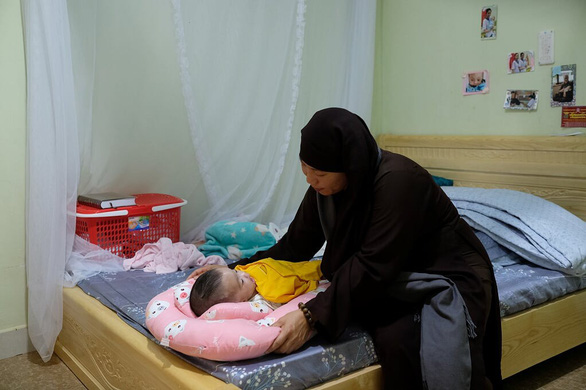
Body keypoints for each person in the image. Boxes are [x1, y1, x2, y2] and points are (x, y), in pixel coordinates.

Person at [191, 108, 503, 390]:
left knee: (433, 345)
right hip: (394, 271)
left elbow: (372, 265)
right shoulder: (326, 188)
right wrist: (238, 268)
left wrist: (311, 315)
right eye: (305, 169)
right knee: (393, 338)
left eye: (321, 173)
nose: (312, 180)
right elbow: (295, 244)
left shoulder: (398, 181)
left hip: (448, 269)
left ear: (351, 164)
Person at [189, 258, 323, 316]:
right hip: (315, 273)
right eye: (241, 281)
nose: (244, 273)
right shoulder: (266, 300)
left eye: (236, 272)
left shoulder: (246, 273)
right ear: (241, 301)